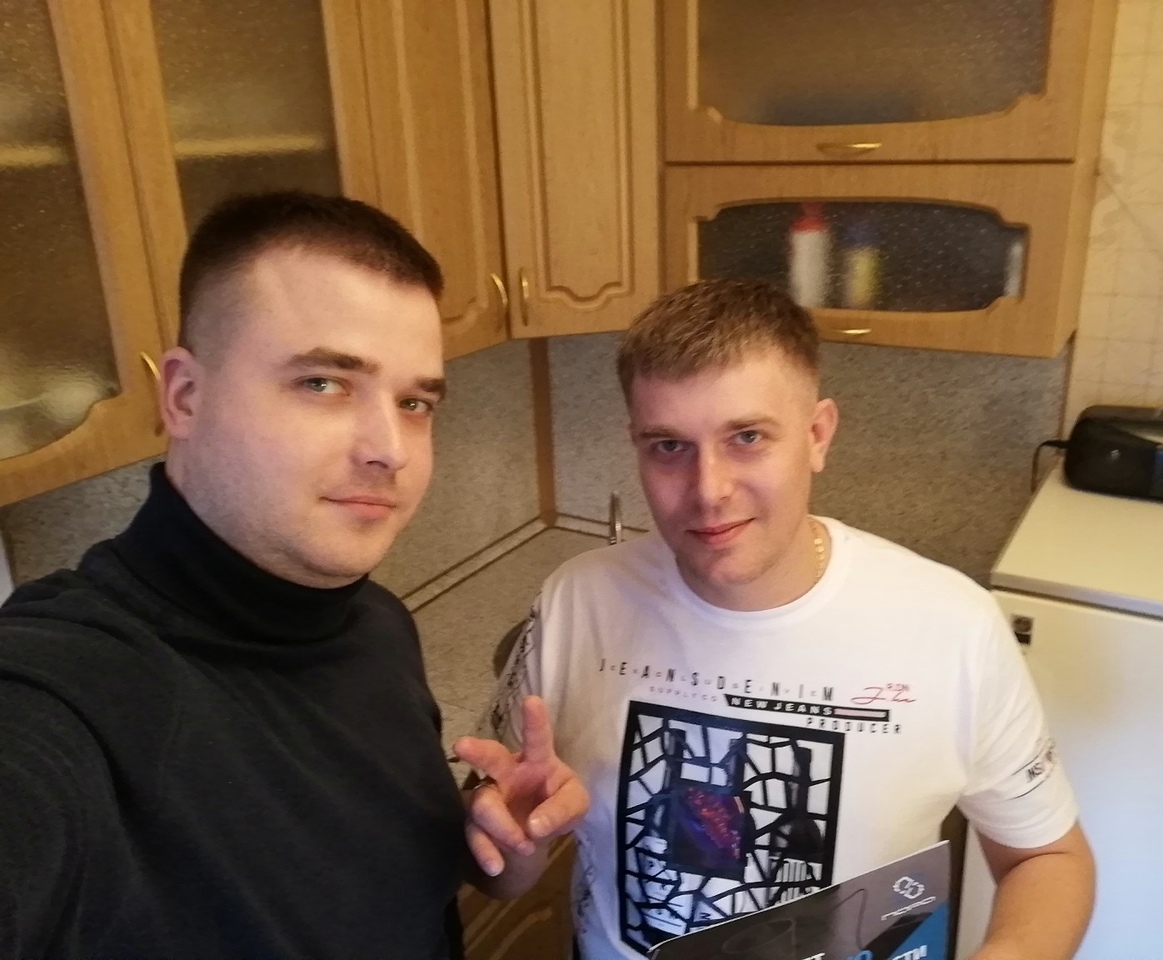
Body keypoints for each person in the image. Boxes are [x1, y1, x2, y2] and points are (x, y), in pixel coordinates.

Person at [0, 191, 585, 959]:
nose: (390, 449)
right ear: (184, 396)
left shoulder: (377, 624)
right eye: (323, 383)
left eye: (415, 402)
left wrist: (508, 852)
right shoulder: (66, 692)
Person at [486, 278, 1095, 960]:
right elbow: (507, 873)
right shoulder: (576, 602)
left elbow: (1048, 858)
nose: (709, 490)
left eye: (747, 437)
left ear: (817, 435)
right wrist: (517, 845)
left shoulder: (954, 628)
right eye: (669, 446)